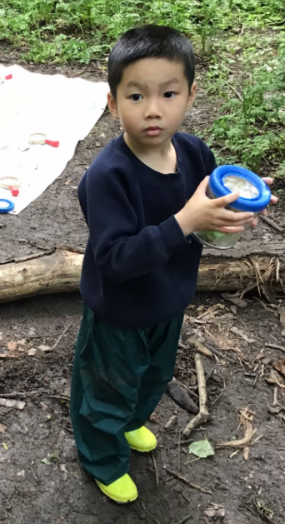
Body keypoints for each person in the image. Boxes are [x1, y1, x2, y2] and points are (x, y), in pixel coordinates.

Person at [70, 25, 277, 504]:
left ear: (190, 95)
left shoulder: (194, 153)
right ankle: (102, 458)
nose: (153, 109)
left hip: (168, 300)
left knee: (153, 376)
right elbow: (115, 259)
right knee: (107, 390)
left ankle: (129, 422)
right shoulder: (109, 176)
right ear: (112, 103)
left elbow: (206, 218)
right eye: (136, 96)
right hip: (119, 312)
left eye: (168, 93)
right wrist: (185, 220)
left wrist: (236, 205)